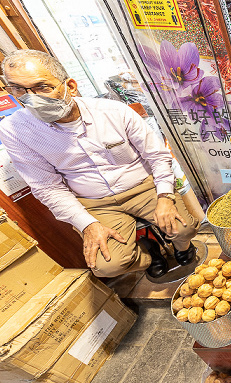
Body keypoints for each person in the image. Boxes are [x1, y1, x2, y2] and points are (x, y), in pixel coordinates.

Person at [0, 49, 199, 278]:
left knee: (184, 228)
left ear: (71, 86)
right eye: (18, 89)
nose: (31, 98)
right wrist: (86, 224)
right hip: (93, 201)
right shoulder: (15, 130)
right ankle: (150, 253)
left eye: (42, 87)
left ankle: (183, 248)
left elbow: (157, 155)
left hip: (142, 186)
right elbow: (47, 187)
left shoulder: (112, 111)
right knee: (106, 267)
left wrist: (165, 197)